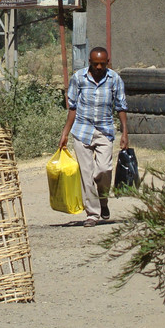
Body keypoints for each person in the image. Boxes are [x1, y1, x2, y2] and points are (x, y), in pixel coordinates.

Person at [59, 46, 128, 227]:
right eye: (95, 64)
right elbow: (72, 108)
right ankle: (92, 213)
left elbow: (121, 107)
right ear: (89, 62)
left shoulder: (114, 79)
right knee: (86, 174)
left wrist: (125, 132)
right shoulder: (78, 78)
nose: (99, 68)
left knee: (104, 170)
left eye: (102, 64)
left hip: (104, 131)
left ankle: (102, 200)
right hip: (82, 131)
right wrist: (65, 133)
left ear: (107, 62)